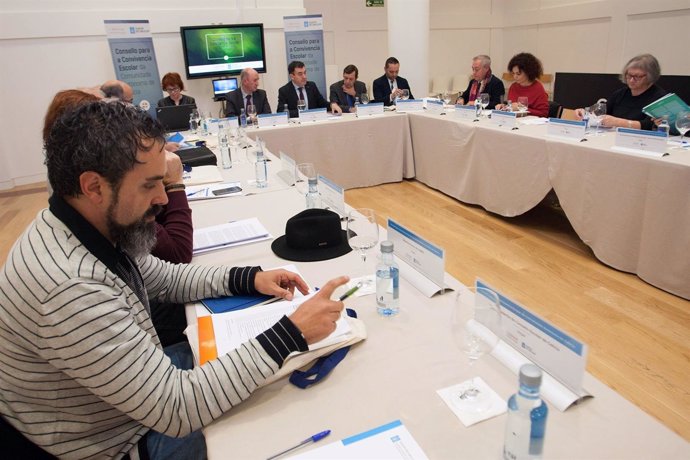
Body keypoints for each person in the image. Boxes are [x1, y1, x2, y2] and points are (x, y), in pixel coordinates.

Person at [0, 100, 349, 458]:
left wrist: (250, 278)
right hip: (120, 441)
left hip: (131, 406)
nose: (163, 198)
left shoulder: (85, 225)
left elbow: (165, 279)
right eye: (150, 185)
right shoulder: (69, 288)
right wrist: (292, 333)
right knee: (287, 421)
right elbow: (176, 408)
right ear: (94, 187)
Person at [574, 53, 667, 130]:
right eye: (629, 75)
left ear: (651, 76)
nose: (631, 80)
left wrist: (619, 122)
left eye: (637, 77)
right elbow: (601, 111)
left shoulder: (659, 98)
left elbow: (650, 125)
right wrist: (585, 113)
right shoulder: (621, 93)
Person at [497, 52, 549, 117]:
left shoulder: (538, 88)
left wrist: (522, 109)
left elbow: (544, 113)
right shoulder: (513, 86)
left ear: (528, 72)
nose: (515, 76)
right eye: (513, 73)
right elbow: (512, 107)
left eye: (518, 74)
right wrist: (504, 107)